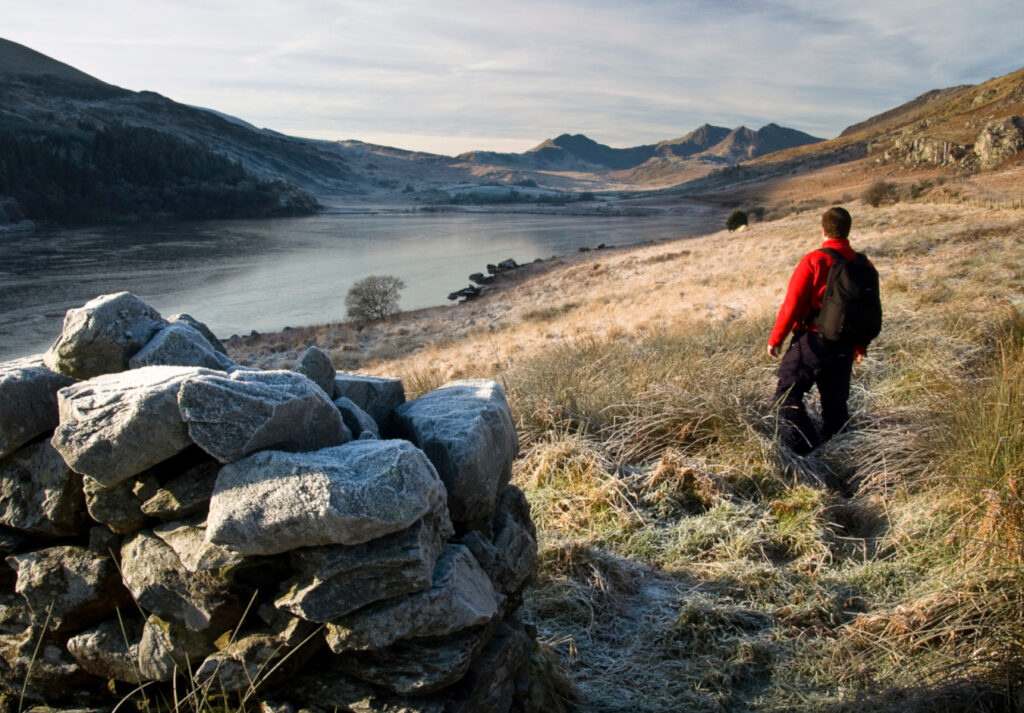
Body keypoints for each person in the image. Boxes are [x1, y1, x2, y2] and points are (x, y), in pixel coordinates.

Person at [767, 206, 871, 454]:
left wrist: (777, 339)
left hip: (813, 342)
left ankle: (810, 452)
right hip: (845, 344)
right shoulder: (863, 265)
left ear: (823, 231)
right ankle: (841, 457)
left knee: (786, 396)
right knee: (836, 406)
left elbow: (793, 303)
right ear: (847, 230)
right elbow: (865, 308)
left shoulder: (814, 260)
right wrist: (859, 346)